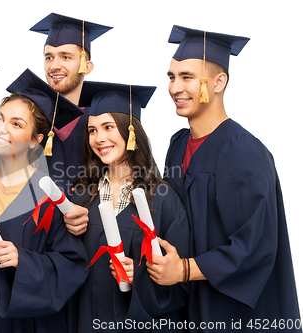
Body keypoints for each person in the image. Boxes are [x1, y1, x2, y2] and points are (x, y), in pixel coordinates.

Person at [152, 25, 302, 330]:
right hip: (189, 305)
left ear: (219, 82)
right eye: (172, 77)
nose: (175, 88)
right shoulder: (177, 145)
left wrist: (183, 269)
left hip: (237, 313)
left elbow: (255, 245)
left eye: (188, 77)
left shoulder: (244, 152)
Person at [0, 69, 88, 333]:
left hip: (26, 324)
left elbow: (71, 266)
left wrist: (24, 260)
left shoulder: (54, 199)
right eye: (0, 118)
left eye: (16, 124)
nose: (2, 128)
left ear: (36, 141)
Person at [69, 81, 190, 332]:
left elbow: (181, 285)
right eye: (92, 130)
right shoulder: (81, 196)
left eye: (108, 127)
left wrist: (141, 277)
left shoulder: (163, 200)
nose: (99, 138)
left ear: (130, 132)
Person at [31, 13, 112, 236]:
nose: (54, 65)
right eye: (49, 57)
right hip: (35, 243)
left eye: (66, 57)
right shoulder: (31, 123)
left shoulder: (103, 128)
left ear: (87, 66)